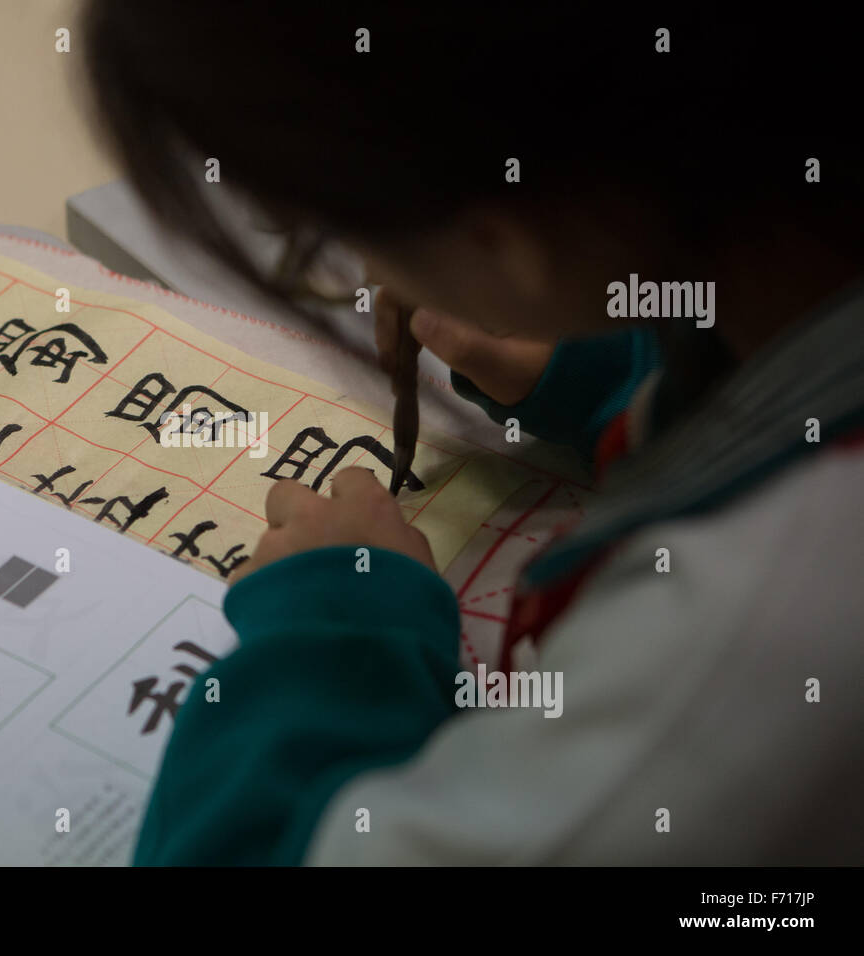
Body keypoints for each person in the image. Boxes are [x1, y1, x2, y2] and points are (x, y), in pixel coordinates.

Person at [81, 3, 864, 864]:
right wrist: (614, 372)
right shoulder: (789, 229)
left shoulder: (744, 633)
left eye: (337, 238)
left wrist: (339, 629)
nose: (370, 279)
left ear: (504, 239)